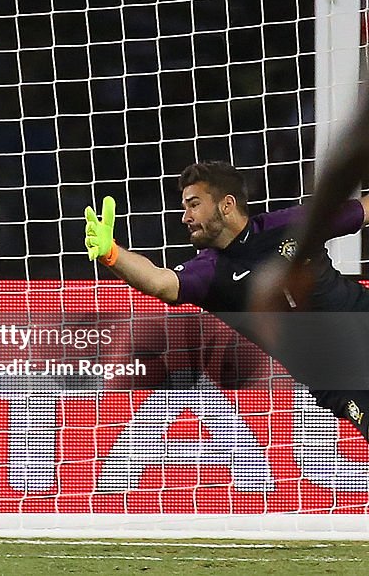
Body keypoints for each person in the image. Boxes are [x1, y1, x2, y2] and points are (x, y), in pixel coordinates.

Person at [84, 160, 369, 438]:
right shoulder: (209, 273)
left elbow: (362, 211)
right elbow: (159, 282)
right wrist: (113, 254)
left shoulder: (287, 226)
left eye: (193, 204)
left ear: (227, 205)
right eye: (185, 207)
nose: (185, 217)